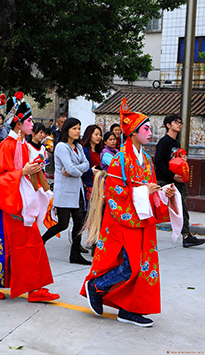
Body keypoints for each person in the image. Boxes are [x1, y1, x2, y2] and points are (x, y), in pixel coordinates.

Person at [81, 98, 178, 327]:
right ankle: (97, 285)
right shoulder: (121, 159)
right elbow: (115, 192)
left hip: (140, 219)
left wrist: (164, 193)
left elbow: (150, 187)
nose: (149, 132)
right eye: (145, 128)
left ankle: (128, 309)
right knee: (132, 265)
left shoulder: (145, 159)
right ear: (133, 132)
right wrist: (145, 190)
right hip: (122, 220)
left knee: (142, 266)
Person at [0, 93, 58, 302]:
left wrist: (39, 180)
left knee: (32, 244)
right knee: (0, 246)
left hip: (23, 203)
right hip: (7, 205)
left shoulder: (25, 145)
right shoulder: (7, 145)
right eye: (29, 121)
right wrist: (23, 172)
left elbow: (28, 172)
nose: (32, 124)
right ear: (18, 124)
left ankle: (35, 288)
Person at [41, 117, 92, 265]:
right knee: (63, 224)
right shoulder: (62, 147)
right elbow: (69, 168)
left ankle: (74, 254)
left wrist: (77, 170)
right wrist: (77, 169)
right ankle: (40, 241)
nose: (77, 131)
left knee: (79, 222)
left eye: (79, 128)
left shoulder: (79, 147)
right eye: (74, 128)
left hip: (77, 190)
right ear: (67, 130)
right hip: (64, 191)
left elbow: (86, 164)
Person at [154, 115, 204, 247]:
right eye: (176, 122)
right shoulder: (164, 142)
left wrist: (182, 160)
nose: (179, 124)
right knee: (156, 208)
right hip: (164, 180)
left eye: (180, 122)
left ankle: (186, 236)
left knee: (182, 206)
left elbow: (174, 161)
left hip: (177, 180)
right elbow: (158, 161)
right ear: (168, 125)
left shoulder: (176, 143)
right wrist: (172, 175)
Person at [80, 124, 103, 202]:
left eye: (100, 135)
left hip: (95, 184)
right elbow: (80, 169)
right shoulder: (84, 151)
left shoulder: (97, 151)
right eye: (96, 134)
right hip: (87, 184)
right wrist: (91, 171)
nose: (98, 137)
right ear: (89, 135)